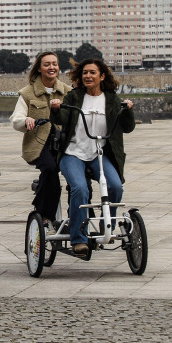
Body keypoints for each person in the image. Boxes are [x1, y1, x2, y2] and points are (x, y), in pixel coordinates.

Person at [50, 59, 135, 257]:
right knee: (79, 188)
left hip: (100, 153)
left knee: (115, 186)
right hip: (73, 152)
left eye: (92, 73)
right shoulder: (74, 96)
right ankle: (78, 238)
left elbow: (128, 127)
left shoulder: (112, 99)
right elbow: (61, 118)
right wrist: (56, 108)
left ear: (102, 76)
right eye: (85, 73)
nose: (88, 76)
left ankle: (108, 225)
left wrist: (128, 111)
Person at [10, 51, 71, 224]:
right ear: (38, 68)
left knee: (78, 177)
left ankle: (77, 217)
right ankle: (46, 216)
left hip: (64, 143)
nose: (52, 67)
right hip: (40, 144)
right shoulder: (27, 93)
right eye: (47, 64)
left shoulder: (68, 92)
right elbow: (16, 120)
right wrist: (26, 120)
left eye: (54, 64)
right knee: (50, 169)